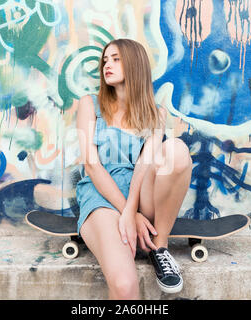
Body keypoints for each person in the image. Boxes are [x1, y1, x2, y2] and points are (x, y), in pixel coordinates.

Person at [75, 38, 192, 299]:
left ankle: (159, 248)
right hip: (102, 196)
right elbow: (92, 165)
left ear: (135, 64)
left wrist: (134, 210)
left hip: (140, 195)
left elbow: (145, 163)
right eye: (105, 60)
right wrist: (127, 213)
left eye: (116, 59)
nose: (107, 65)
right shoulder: (89, 105)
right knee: (125, 285)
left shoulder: (156, 113)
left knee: (177, 150)